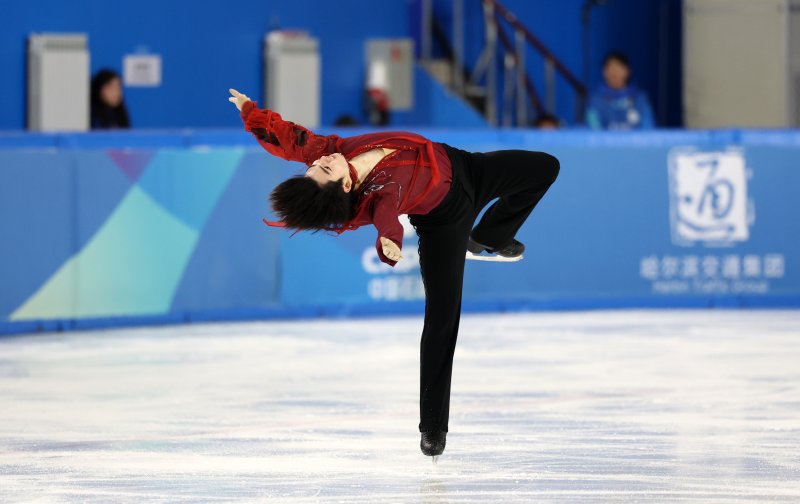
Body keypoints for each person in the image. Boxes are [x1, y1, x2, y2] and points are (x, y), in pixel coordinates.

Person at [228, 88, 560, 457]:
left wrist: (250, 112)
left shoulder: (328, 150)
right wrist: (389, 240)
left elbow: (291, 140)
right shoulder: (380, 190)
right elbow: (389, 210)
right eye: (324, 169)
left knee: (545, 167)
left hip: (467, 167)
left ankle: (487, 238)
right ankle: (433, 428)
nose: (323, 160)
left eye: (315, 166)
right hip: (443, 222)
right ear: (346, 185)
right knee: (443, 317)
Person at [585, 52, 654, 130]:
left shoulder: (640, 99)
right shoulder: (595, 100)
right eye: (610, 67)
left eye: (618, 67)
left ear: (627, 71)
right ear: (604, 72)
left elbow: (648, 129)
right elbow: (593, 130)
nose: (614, 72)